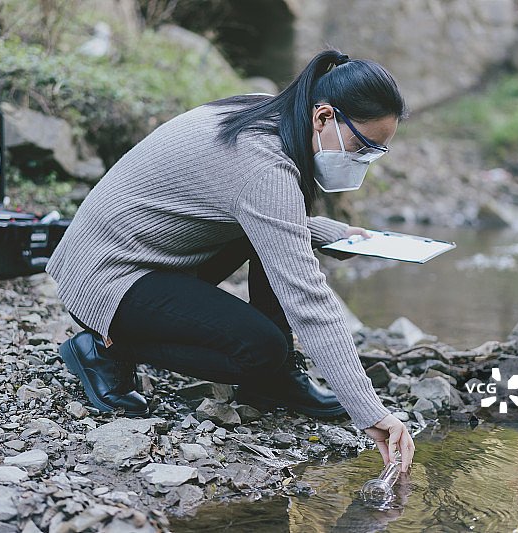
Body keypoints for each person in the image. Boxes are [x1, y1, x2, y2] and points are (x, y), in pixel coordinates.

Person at [45, 49, 414, 470]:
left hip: (144, 252)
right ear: (324, 117)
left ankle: (275, 383)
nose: (363, 161)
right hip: (107, 275)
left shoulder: (263, 109)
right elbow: (309, 301)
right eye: (362, 146)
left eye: (376, 153)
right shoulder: (263, 167)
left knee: (270, 314)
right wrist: (370, 412)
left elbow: (261, 217)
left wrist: (332, 233)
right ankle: (104, 347)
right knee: (259, 349)